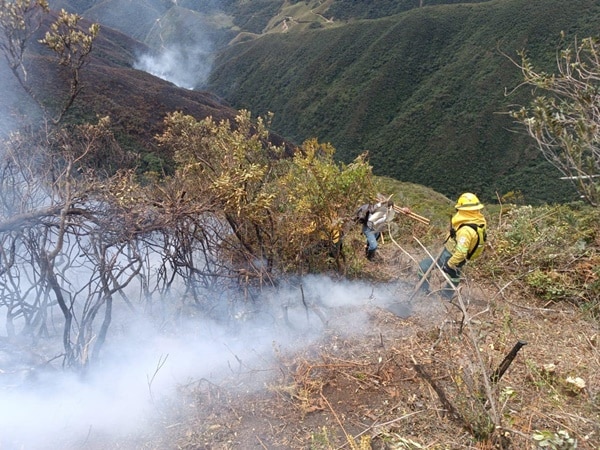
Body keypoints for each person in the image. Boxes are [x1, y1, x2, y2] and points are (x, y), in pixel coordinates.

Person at [418, 192, 487, 299]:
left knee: (424, 266)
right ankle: (447, 295)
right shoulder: (478, 220)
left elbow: (461, 252)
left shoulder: (466, 230)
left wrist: (449, 264)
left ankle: (423, 291)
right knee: (455, 274)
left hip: (451, 255)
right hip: (457, 255)